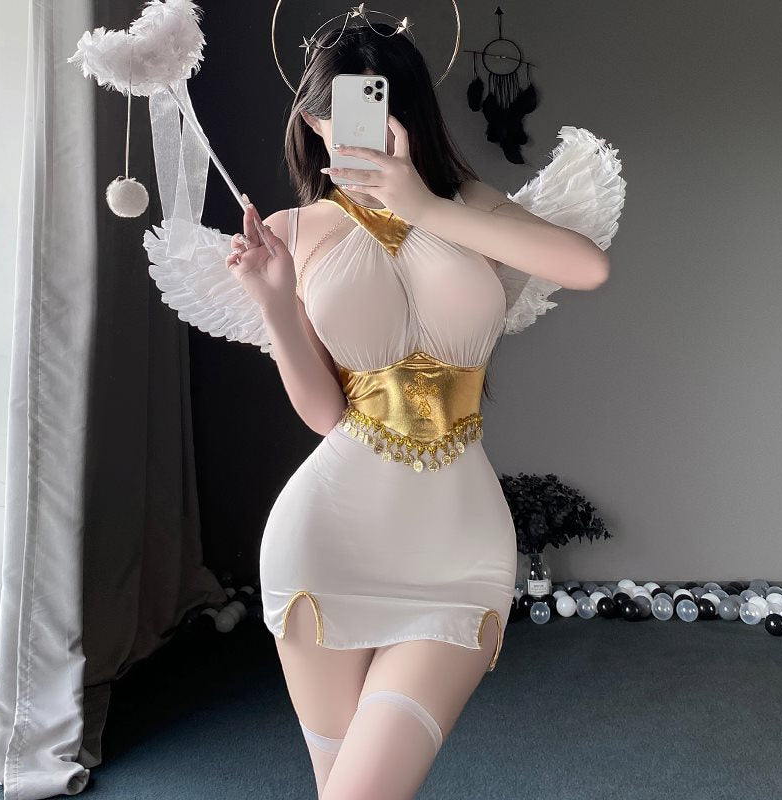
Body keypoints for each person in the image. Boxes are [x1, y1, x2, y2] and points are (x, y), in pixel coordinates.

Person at [224, 24, 609, 800]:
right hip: (326, 544)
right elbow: (327, 415)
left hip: (457, 553)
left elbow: (587, 266)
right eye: (342, 111)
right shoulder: (293, 232)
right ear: (313, 120)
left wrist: (422, 206)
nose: (361, 127)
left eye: (383, 105)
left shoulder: (470, 206)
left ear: (412, 115)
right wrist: (273, 304)